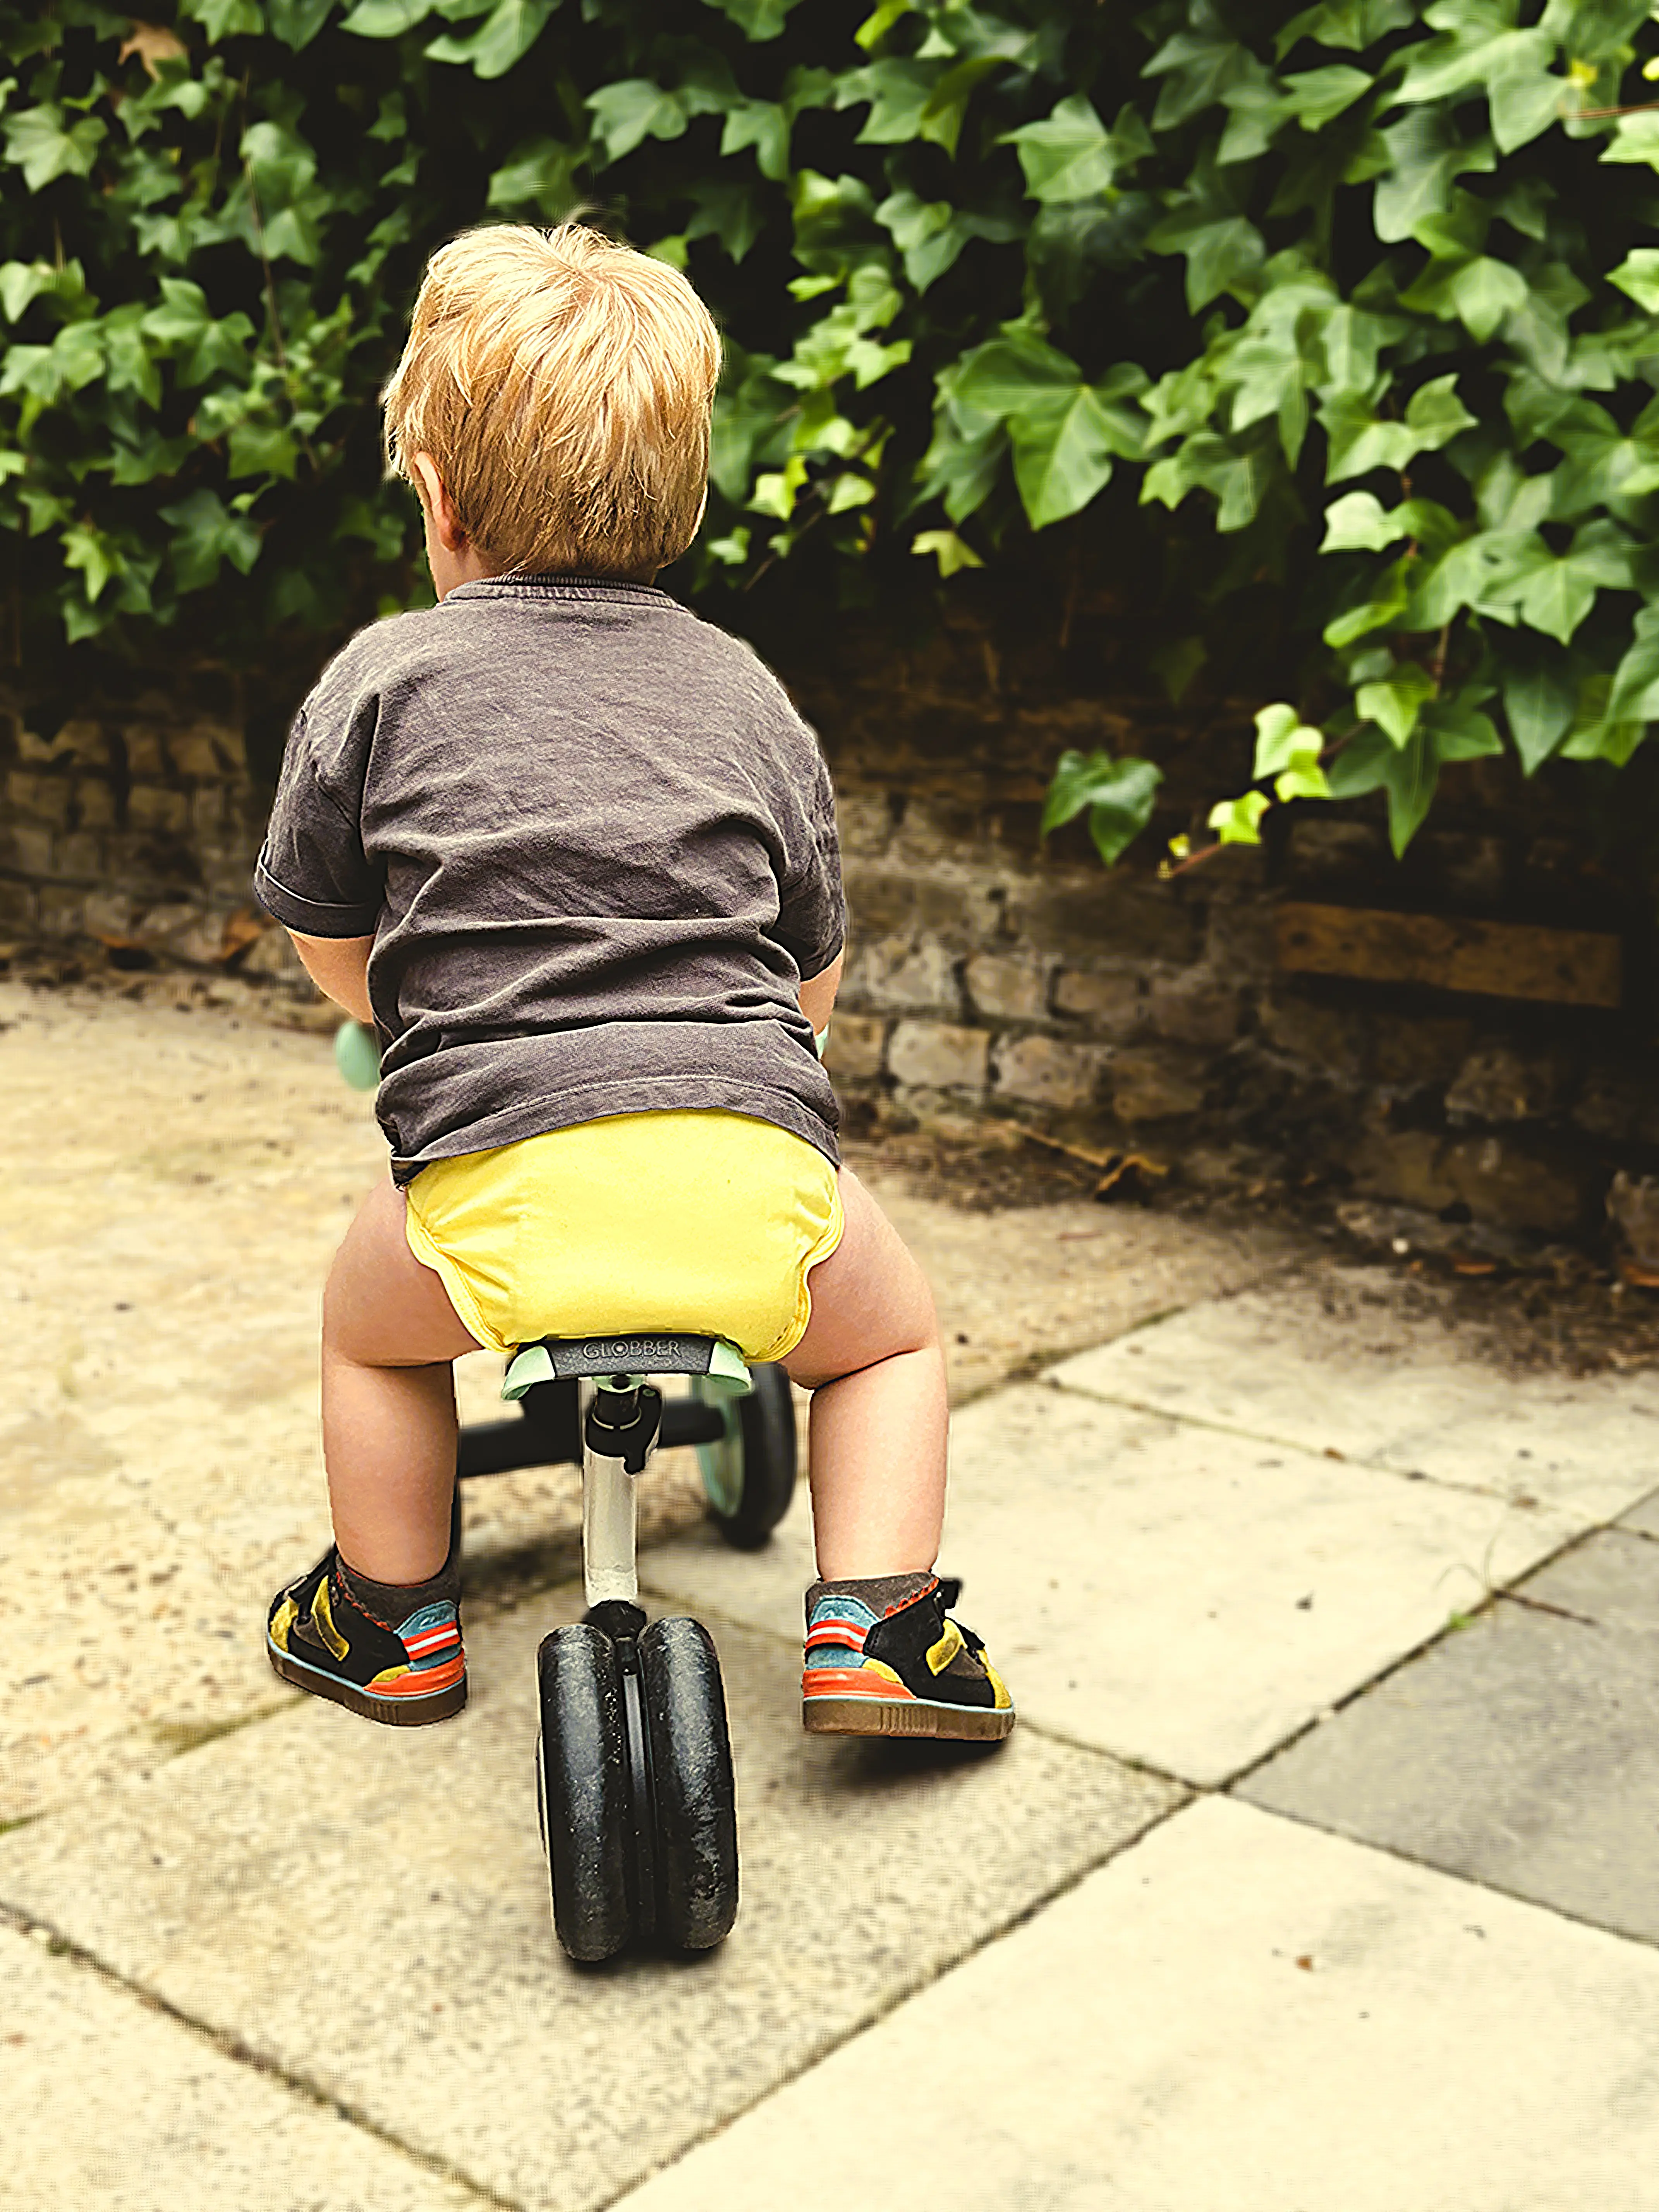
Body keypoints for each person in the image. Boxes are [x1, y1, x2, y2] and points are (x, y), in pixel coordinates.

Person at [254, 221, 1013, 1745]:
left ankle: (387, 1616)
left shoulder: (380, 682)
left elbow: (324, 924)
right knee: (890, 1337)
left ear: (440, 497)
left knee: (366, 1326)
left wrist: (388, 1015)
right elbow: (811, 969)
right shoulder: (746, 692)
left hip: (492, 1191)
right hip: (751, 1183)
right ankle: (878, 1626)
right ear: (686, 500)